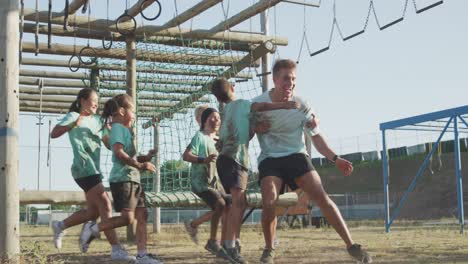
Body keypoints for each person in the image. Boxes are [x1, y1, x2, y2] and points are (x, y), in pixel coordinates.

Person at [251, 59, 372, 264]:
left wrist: (335, 158)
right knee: (269, 200)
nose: (290, 83)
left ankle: (352, 246)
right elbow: (247, 132)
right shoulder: (259, 104)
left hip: (297, 156)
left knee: (322, 197)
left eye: (294, 79)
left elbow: (316, 137)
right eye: (286, 79)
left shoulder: (303, 105)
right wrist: (254, 128)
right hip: (270, 159)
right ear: (274, 79)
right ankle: (269, 250)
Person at [211, 78, 299, 264]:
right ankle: (230, 247)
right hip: (236, 160)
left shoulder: (226, 111)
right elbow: (261, 106)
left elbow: (245, 131)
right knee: (238, 203)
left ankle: (231, 243)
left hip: (223, 160)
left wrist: (255, 128)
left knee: (233, 205)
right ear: (233, 87)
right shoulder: (243, 104)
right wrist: (283, 105)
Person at [50, 88, 134, 261]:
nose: (96, 103)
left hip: (94, 169)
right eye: (93, 100)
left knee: (91, 214)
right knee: (105, 204)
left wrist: (113, 131)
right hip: (83, 168)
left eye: (97, 100)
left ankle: (60, 225)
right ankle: (116, 248)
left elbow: (109, 145)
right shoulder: (73, 116)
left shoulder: (98, 121)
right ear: (82, 101)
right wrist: (75, 121)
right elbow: (54, 133)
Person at [79, 94, 162, 264]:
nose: (135, 115)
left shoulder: (125, 130)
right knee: (127, 218)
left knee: (142, 214)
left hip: (132, 179)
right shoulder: (117, 128)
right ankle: (93, 229)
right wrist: (140, 166)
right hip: (123, 179)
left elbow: (130, 156)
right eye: (134, 111)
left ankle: (142, 255)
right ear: (123, 111)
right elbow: (118, 152)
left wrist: (145, 157)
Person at [182, 107, 231, 258]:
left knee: (232, 203)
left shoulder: (218, 140)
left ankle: (225, 243)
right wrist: (203, 160)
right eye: (212, 117)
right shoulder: (200, 137)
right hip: (201, 183)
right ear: (204, 120)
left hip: (216, 183)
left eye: (218, 118)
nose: (216, 120)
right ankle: (212, 241)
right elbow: (186, 155)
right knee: (221, 205)